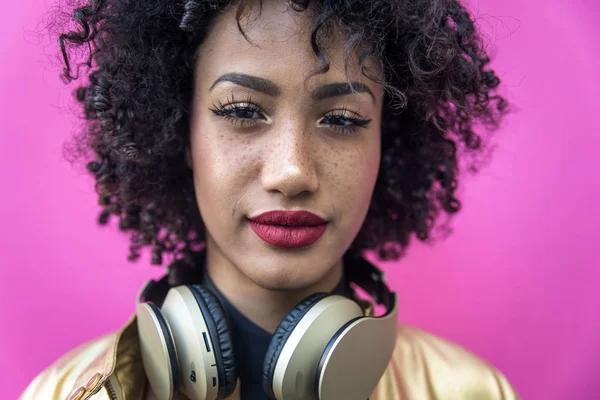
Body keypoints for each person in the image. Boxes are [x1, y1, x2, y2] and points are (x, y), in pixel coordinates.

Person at [20, 0, 518, 399]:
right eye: (242, 110)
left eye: (343, 119)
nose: (292, 173)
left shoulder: (471, 392)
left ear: (388, 142)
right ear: (179, 132)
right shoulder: (65, 393)